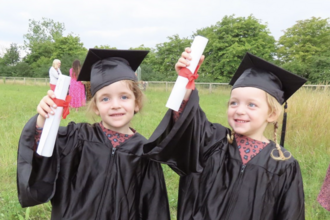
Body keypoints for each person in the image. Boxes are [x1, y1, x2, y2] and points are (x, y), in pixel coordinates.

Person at [144, 48, 306, 220]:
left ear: (272, 114)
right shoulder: (213, 140)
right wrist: (185, 81)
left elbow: (291, 213)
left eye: (252, 105)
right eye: (234, 103)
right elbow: (188, 121)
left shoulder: (283, 164)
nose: (240, 111)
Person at [17, 49, 170, 220]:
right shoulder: (77, 138)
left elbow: (155, 207)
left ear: (137, 103)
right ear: (96, 106)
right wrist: (43, 119)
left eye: (124, 97)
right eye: (105, 99)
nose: (115, 105)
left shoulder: (145, 153)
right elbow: (43, 149)